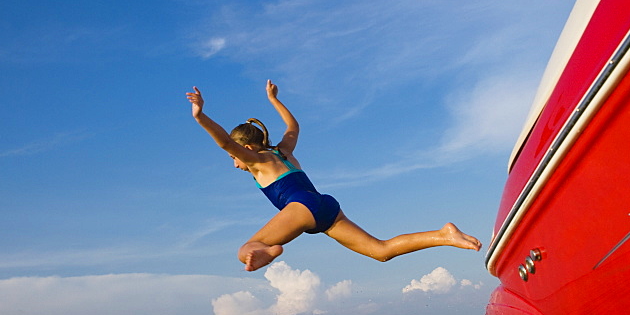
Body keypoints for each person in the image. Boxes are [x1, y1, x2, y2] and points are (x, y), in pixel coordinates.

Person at [187, 80, 482, 271]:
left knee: (246, 250)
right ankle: (444, 235)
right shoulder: (283, 152)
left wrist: (200, 116)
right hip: (325, 207)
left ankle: (269, 252)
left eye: (233, 158)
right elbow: (293, 127)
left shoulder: (257, 161)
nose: (234, 163)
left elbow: (225, 140)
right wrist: (274, 100)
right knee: (381, 251)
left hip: (302, 207)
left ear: (247, 149)